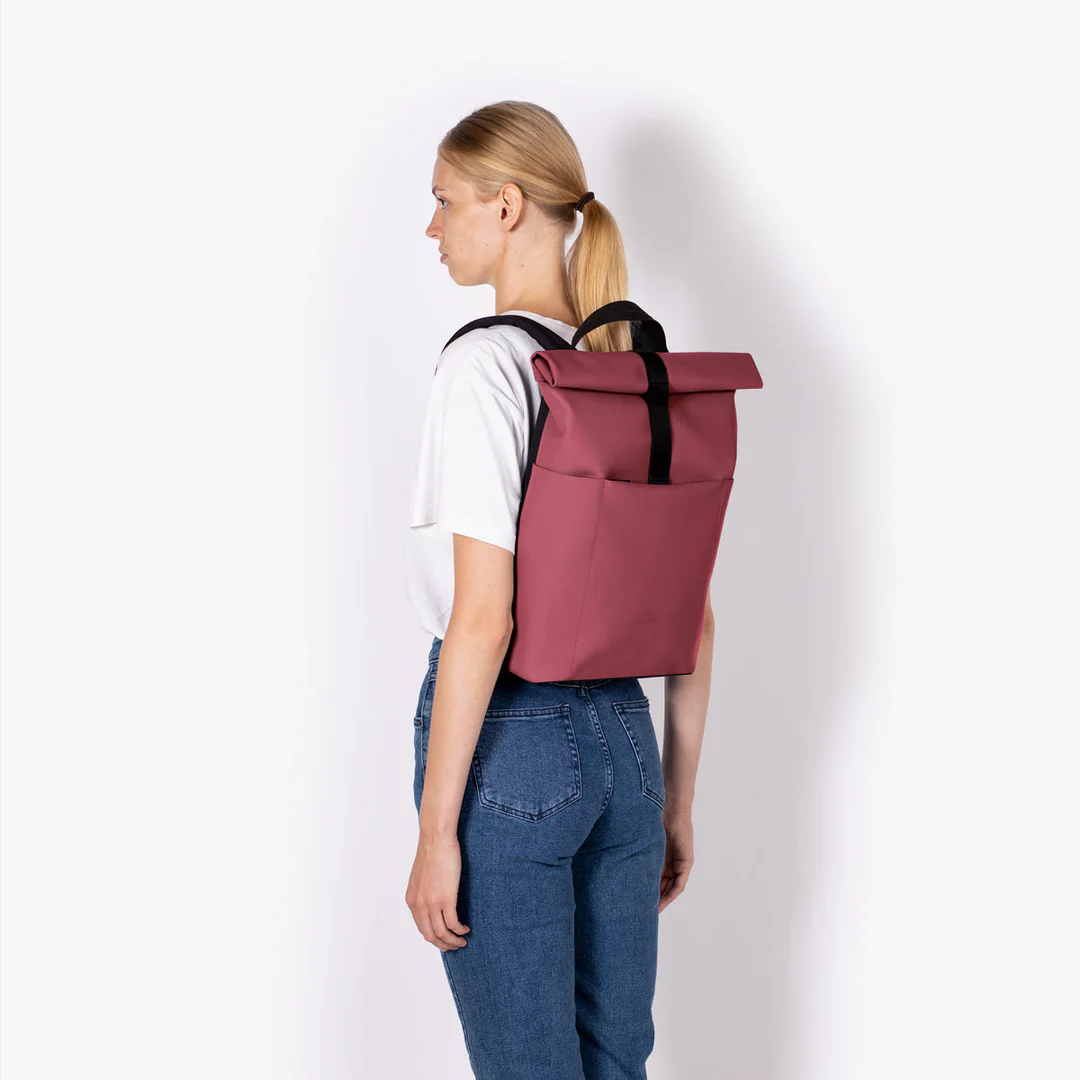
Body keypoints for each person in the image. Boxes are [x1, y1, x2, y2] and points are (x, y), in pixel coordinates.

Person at [404, 101, 714, 1080]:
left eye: (444, 201)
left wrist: (436, 833)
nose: (431, 226)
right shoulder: (626, 373)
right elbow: (694, 616)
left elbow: (484, 617)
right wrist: (674, 803)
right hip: (626, 747)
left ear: (504, 206)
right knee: (617, 1067)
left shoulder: (485, 367)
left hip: (515, 747)